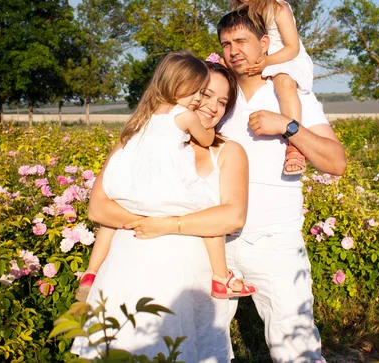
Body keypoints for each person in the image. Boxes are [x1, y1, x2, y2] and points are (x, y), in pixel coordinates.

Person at [72, 55, 250, 362]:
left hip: (188, 283)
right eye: (205, 94)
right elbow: (99, 208)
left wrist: (167, 224)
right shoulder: (139, 141)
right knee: (123, 347)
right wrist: (149, 221)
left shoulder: (227, 151)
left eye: (223, 102)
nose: (211, 106)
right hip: (129, 270)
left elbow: (233, 215)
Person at [216, 9, 346, 363]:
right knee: (201, 344)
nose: (234, 50)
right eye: (226, 43)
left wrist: (289, 127)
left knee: (296, 349)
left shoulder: (294, 96)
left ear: (265, 44)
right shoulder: (216, 98)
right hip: (214, 240)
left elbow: (337, 163)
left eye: (241, 40)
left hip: (276, 242)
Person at [222, 0, 315, 175]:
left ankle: (294, 145)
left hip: (283, 58)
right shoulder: (242, 13)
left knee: (284, 83)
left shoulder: (278, 8)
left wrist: (267, 62)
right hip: (259, 58)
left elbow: (292, 47)